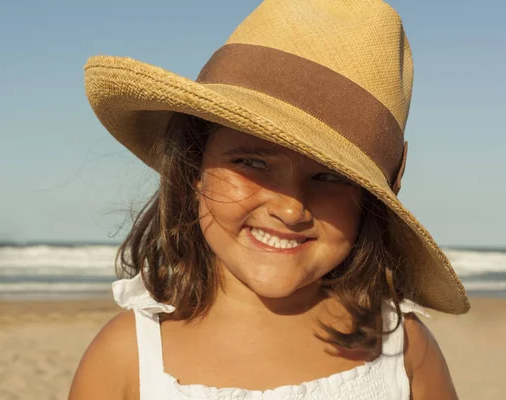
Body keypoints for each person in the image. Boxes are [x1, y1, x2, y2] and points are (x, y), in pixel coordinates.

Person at [70, 0, 469, 399]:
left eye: (331, 176)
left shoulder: (402, 349)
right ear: (194, 166)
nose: (291, 207)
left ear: (369, 203)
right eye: (253, 162)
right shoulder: (127, 358)